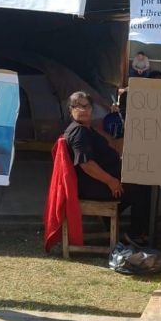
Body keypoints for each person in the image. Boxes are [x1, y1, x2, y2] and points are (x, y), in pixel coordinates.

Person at [63, 91, 151, 245]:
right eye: (77, 106)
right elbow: (86, 164)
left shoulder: (87, 128)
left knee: (139, 182)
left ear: (92, 108)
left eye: (86, 106)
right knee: (142, 187)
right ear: (70, 110)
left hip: (99, 182)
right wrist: (111, 181)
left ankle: (112, 219)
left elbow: (111, 142)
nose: (82, 110)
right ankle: (136, 233)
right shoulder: (78, 132)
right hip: (94, 186)